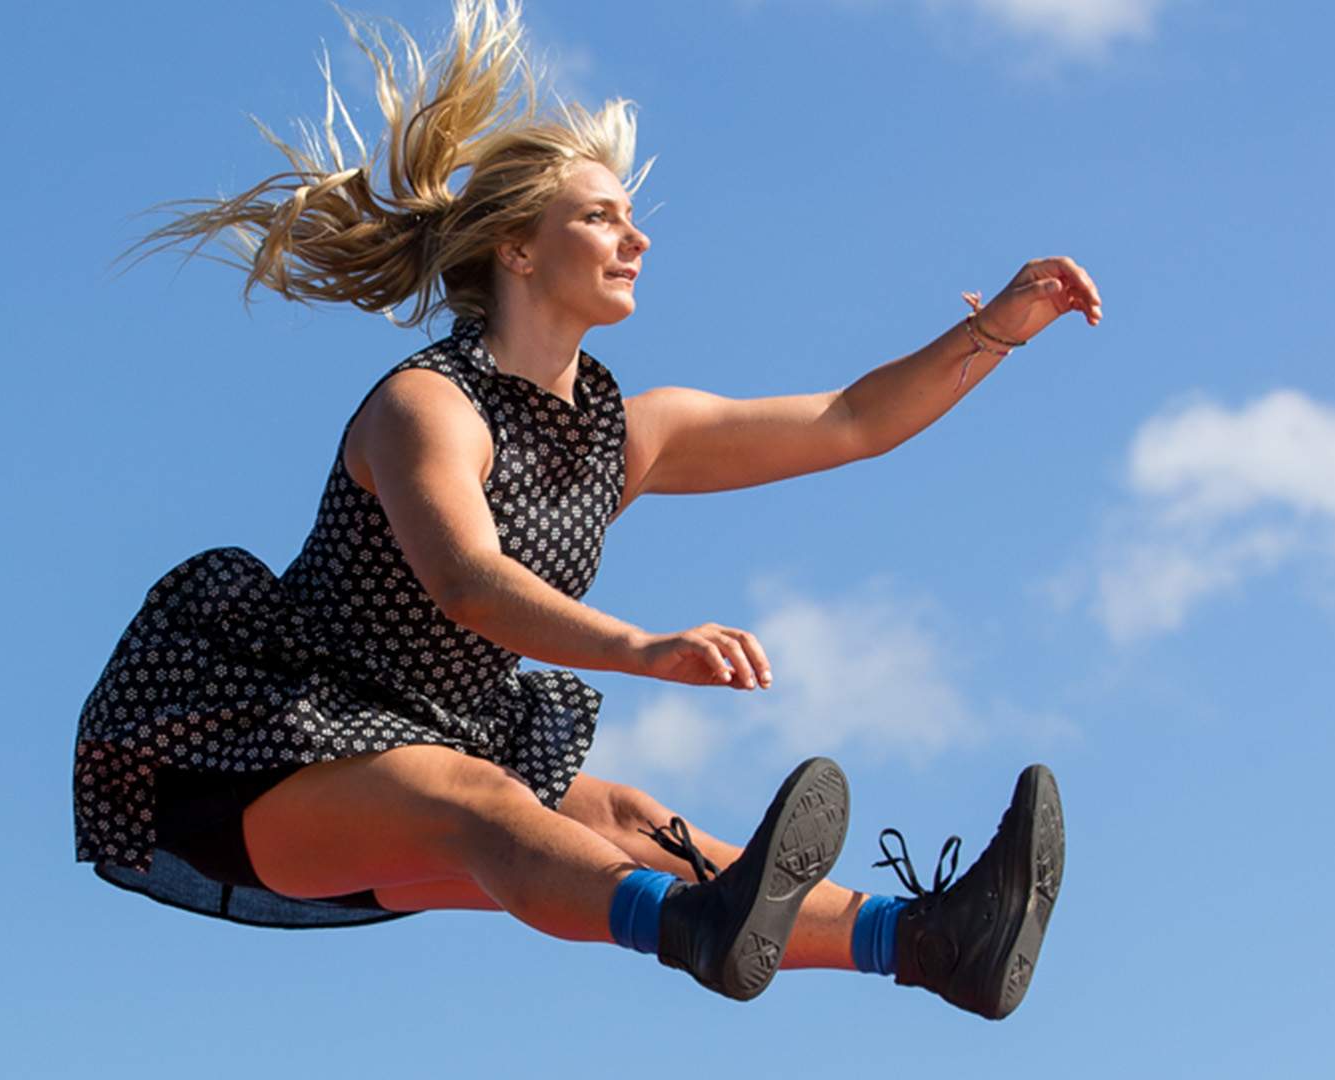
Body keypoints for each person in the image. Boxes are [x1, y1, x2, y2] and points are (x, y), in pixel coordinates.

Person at [74, 0, 1094, 1017]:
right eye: (600, 216)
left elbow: (852, 419)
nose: (636, 236)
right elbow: (470, 581)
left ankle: (929, 943)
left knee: (632, 819)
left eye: (630, 216)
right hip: (269, 762)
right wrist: (641, 648)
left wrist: (996, 334)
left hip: (436, 750)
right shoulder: (428, 406)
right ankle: (687, 926)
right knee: (480, 799)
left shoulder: (626, 432)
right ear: (518, 250)